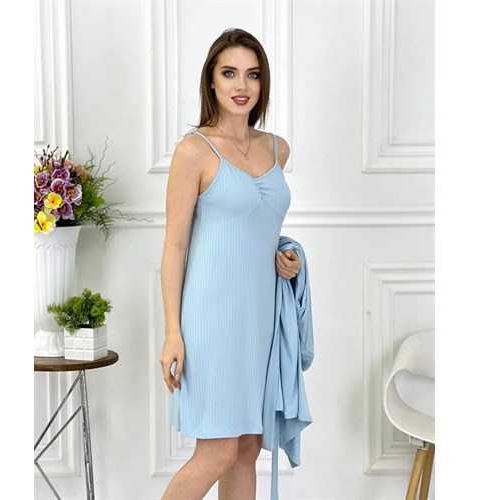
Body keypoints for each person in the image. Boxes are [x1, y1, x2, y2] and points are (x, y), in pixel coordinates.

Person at [159, 27, 301, 500]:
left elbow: (256, 229)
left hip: (258, 319)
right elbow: (175, 246)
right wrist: (173, 332)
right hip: (210, 319)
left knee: (246, 448)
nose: (242, 85)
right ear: (212, 81)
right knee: (218, 450)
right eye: (229, 73)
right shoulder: (194, 151)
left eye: (252, 74)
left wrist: (285, 258)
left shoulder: (278, 148)